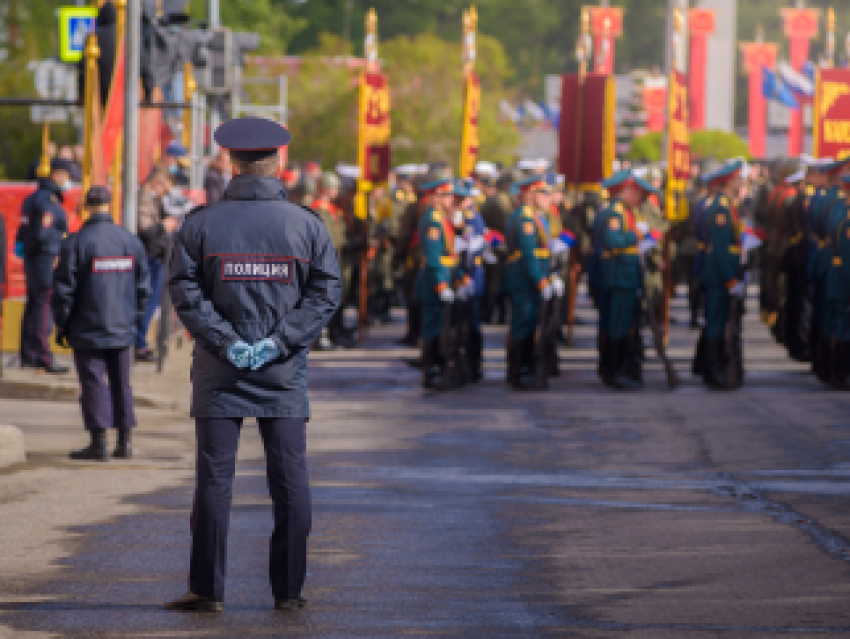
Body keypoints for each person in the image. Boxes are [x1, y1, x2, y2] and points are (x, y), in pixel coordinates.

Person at [165, 117, 341, 613]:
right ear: (278, 162)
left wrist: (226, 341)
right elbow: (327, 292)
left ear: (230, 162)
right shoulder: (306, 224)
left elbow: (183, 289)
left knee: (214, 484)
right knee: (289, 482)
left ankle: (207, 590)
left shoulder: (200, 223)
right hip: (282, 373)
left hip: (220, 373)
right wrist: (278, 341)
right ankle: (288, 591)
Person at [52, 186, 150, 461]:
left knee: (94, 382)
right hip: (122, 327)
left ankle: (99, 443)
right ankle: (125, 442)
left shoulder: (75, 243)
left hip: (87, 327)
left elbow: (63, 290)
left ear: (86, 207)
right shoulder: (130, 242)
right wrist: (135, 320)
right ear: (110, 205)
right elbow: (143, 288)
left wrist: (62, 325)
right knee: (122, 383)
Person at [595, 170, 656, 390]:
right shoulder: (615, 213)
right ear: (626, 191)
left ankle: (620, 369)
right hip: (619, 276)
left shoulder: (626, 212)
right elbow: (612, 241)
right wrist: (637, 235)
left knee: (623, 324)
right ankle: (615, 372)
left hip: (626, 276)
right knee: (617, 324)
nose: (641, 199)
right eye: (638, 194)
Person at [15, 158, 73, 374]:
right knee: (43, 305)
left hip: (33, 258)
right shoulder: (48, 200)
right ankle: (42, 356)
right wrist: (57, 248)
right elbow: (43, 233)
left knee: (33, 304)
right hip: (45, 258)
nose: (67, 180)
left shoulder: (32, 198)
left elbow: (25, 232)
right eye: (66, 175)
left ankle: (28, 354)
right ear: (57, 175)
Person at [695, 160, 746, 390]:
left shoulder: (726, 206)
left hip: (721, 275)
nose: (741, 182)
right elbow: (719, 251)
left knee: (718, 320)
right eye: (738, 179)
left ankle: (711, 368)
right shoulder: (720, 210)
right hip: (718, 277)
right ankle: (714, 371)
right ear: (728, 182)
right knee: (716, 322)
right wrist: (730, 279)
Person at [503, 176, 555, 390]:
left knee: (529, 323)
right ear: (528, 195)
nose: (547, 197)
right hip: (525, 280)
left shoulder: (536, 217)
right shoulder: (526, 219)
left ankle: (524, 369)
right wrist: (541, 280)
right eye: (543, 193)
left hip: (531, 278)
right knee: (523, 324)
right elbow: (528, 255)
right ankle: (520, 371)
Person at [415, 178, 461, 389]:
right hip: (435, 282)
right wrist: (441, 285)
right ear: (433, 197)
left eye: (450, 195)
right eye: (444, 195)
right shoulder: (433, 220)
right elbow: (433, 258)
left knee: (439, 324)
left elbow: (449, 254)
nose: (449, 199)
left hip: (444, 277)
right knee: (433, 326)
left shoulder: (441, 218)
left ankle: (436, 367)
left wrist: (458, 277)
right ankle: (431, 369)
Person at [135, 169, 178, 361]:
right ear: (158, 183)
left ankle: (141, 342)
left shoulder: (154, 199)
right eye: (165, 188)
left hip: (156, 255)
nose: (165, 193)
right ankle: (139, 343)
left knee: (152, 301)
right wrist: (164, 226)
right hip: (149, 256)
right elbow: (145, 229)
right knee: (147, 300)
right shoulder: (145, 197)